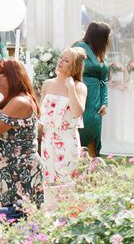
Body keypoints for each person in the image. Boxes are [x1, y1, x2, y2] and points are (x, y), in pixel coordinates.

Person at [0, 59, 45, 210]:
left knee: (16, 219)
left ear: (11, 76)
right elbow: (2, 128)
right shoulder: (11, 100)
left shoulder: (20, 102)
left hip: (18, 171)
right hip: (6, 170)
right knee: (5, 221)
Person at [39, 47, 87, 198]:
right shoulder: (47, 84)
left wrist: (71, 88)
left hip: (67, 140)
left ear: (74, 67)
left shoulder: (79, 87)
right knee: (48, 182)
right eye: (61, 57)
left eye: (66, 60)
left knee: (67, 183)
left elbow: (77, 112)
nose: (60, 61)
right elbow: (41, 115)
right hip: (47, 141)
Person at [72, 22, 110, 157]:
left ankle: (92, 167)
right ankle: (77, 161)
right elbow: (71, 69)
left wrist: (104, 102)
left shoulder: (100, 52)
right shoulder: (79, 47)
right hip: (83, 94)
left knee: (94, 132)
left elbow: (104, 80)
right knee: (82, 128)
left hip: (96, 100)